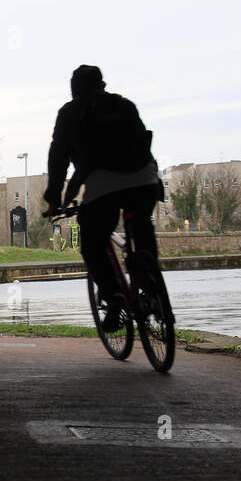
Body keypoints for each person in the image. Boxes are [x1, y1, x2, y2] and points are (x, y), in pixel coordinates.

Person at [43, 65, 165, 331]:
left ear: (74, 89)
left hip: (103, 186)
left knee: (92, 243)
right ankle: (152, 287)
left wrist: (56, 199)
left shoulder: (70, 113)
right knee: (142, 225)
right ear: (102, 84)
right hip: (145, 178)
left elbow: (60, 158)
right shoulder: (124, 105)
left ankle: (114, 297)